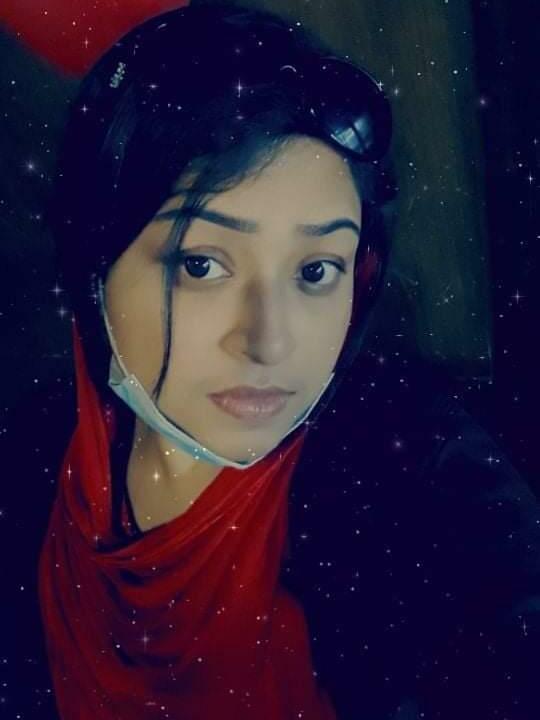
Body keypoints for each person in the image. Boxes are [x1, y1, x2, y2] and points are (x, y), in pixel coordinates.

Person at [3, 2, 539, 719]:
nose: (269, 342)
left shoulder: (426, 479)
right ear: (94, 265)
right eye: (201, 264)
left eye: (316, 271)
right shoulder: (25, 466)